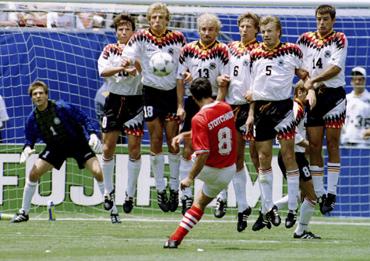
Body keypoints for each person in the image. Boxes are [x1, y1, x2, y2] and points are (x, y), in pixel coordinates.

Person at [246, 16, 314, 231]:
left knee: (288, 156)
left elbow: (304, 74)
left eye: (269, 31)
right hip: (261, 110)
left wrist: (310, 89)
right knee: (263, 159)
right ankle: (267, 209)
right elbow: (251, 86)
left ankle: (292, 209)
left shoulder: (292, 51)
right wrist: (250, 113)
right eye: (263, 31)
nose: (265, 34)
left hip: (283, 109)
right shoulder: (254, 53)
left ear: (279, 32)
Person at [122, 2, 186, 213]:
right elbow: (128, 54)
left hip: (171, 94)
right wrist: (127, 62)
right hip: (150, 93)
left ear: (167, 20)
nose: (157, 21)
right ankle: (160, 189)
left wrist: (179, 103)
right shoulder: (140, 37)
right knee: (156, 139)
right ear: (148, 20)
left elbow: (181, 71)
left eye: (161, 17)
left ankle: (175, 188)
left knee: (173, 140)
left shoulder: (177, 38)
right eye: (153, 18)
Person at [11, 80, 105, 223]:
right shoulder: (32, 119)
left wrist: (92, 134)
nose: (38, 96)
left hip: (77, 143)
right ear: (31, 98)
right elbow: (29, 140)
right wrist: (27, 149)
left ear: (47, 95)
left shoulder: (62, 107)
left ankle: (111, 207)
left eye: (41, 93)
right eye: (35, 94)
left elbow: (84, 118)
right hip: (56, 148)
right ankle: (24, 212)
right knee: (33, 173)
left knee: (98, 172)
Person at [164, 77, 237, 249]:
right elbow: (214, 128)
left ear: (194, 98)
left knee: (189, 154)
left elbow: (204, 153)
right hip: (228, 170)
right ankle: (175, 238)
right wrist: (185, 135)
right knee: (201, 203)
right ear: (209, 91)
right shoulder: (226, 108)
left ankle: (183, 194)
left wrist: (190, 178)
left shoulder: (199, 118)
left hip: (209, 169)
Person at [176, 13, 230, 215]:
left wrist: (218, 105)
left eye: (211, 29)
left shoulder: (222, 50)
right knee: (189, 147)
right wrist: (181, 106)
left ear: (217, 31)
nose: (207, 33)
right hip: (193, 102)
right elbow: (180, 80)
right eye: (203, 29)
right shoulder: (188, 50)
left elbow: (225, 81)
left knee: (216, 149)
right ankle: (186, 195)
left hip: (214, 101)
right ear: (198, 30)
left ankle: (221, 197)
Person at [297, 5, 348, 214]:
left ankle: (332, 193)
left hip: (334, 96)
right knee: (315, 145)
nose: (322, 23)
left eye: (326, 19)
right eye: (319, 19)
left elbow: (336, 68)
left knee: (333, 144)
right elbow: (297, 65)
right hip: (313, 97)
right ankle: (319, 192)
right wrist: (307, 83)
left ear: (333, 20)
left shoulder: (339, 38)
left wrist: (313, 81)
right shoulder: (305, 39)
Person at [213, 12, 260, 232]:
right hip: (228, 106)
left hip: (248, 108)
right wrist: (219, 89)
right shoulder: (229, 48)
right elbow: (222, 77)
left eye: (249, 26)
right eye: (242, 26)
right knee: (227, 155)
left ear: (256, 30)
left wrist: (251, 112)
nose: (244, 29)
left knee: (247, 156)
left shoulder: (258, 52)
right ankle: (235, 204)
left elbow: (255, 87)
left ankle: (252, 205)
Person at [97, 13, 143, 222]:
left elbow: (148, 72)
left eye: (127, 29)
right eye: (120, 29)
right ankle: (108, 191)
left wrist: (137, 68)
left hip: (135, 102)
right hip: (114, 101)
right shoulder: (109, 50)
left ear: (133, 31)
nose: (123, 32)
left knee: (134, 149)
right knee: (108, 147)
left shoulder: (140, 49)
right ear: (116, 32)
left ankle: (130, 194)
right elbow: (103, 72)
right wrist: (123, 67)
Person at [274, 82, 321, 239]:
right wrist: (307, 145)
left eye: (308, 91)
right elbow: (290, 130)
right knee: (312, 196)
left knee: (303, 194)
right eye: (303, 91)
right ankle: (300, 231)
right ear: (298, 92)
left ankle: (273, 208)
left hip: (295, 155)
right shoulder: (297, 108)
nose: (306, 94)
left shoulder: (302, 108)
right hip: (292, 156)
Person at [341, 66, 370, 147]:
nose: (357, 82)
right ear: (351, 82)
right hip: (346, 142)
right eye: (354, 79)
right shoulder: (346, 99)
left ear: (364, 81)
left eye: (360, 79)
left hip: (364, 143)